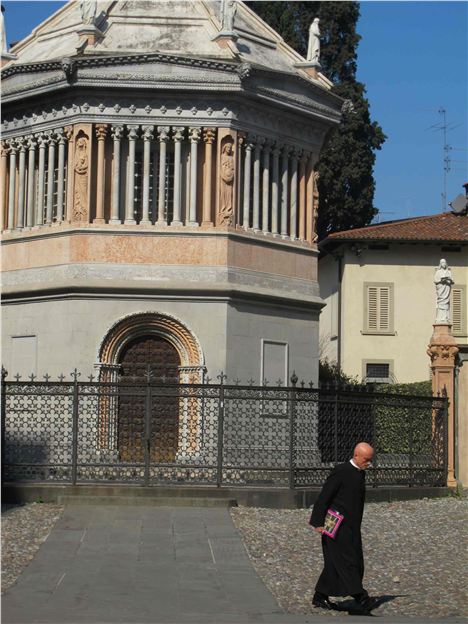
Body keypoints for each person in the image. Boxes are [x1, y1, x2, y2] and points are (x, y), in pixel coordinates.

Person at [309, 442, 377, 613]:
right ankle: (361, 597)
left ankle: (319, 596)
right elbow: (325, 495)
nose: (369, 463)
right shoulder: (341, 471)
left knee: (335, 562)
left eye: (370, 460)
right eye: (366, 459)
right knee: (347, 561)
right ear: (356, 455)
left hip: (351, 525)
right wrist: (318, 522)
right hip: (335, 523)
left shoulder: (360, 473)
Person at [434, 259, 454, 323]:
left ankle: (446, 318)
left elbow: (452, 281)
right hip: (441, 289)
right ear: (440, 264)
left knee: (446, 303)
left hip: (447, 289)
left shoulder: (449, 272)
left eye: (445, 262)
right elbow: (435, 280)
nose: (444, 264)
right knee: (441, 302)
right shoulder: (438, 272)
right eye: (442, 262)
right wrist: (441, 281)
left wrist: (449, 280)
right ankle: (439, 318)